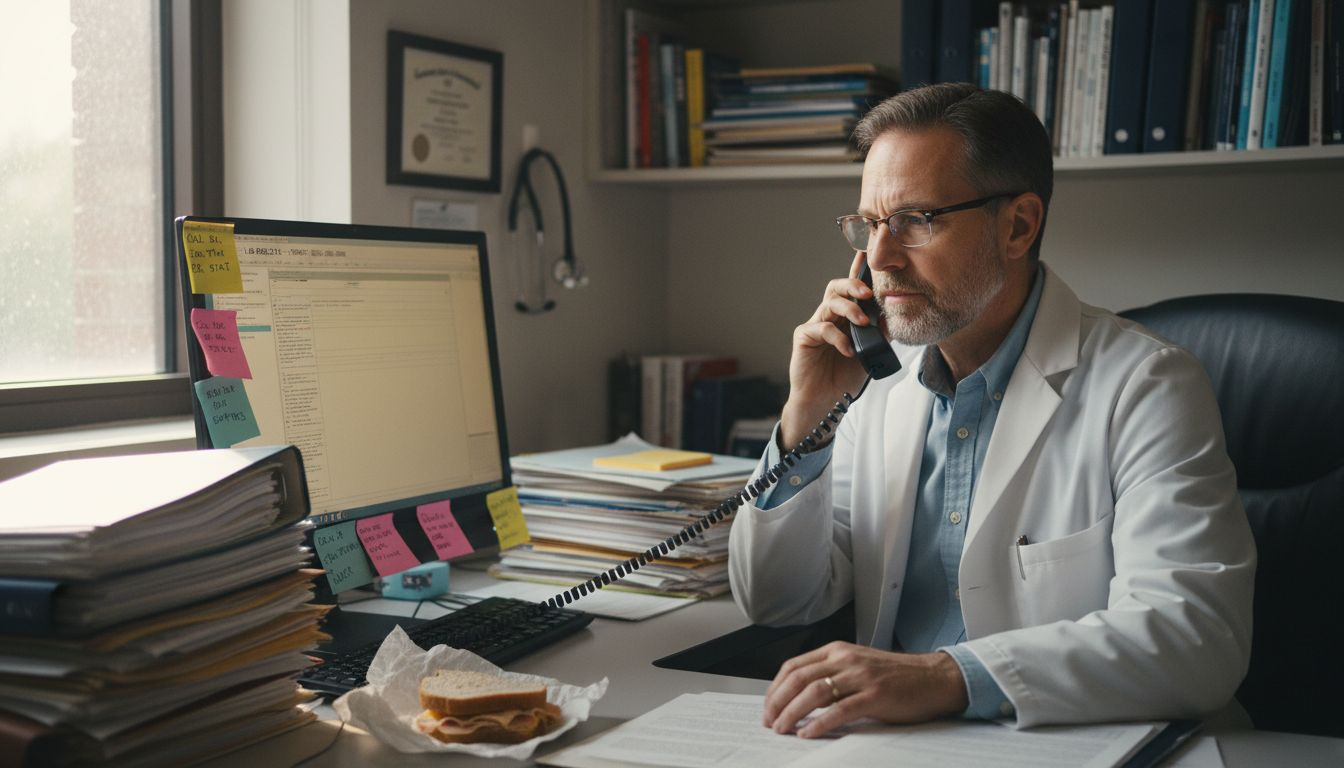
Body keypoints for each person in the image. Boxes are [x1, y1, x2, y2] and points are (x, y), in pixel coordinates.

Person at [727, 83, 1256, 737]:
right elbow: (777, 602)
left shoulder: (1149, 384)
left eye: (916, 220)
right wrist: (807, 414)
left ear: (1018, 226)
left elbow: (1197, 641)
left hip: (1079, 744)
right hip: (899, 748)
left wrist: (947, 677)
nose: (881, 258)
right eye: (869, 225)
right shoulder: (872, 386)